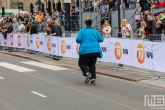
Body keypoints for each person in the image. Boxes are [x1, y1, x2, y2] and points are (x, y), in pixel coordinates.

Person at [76, 18, 104, 85]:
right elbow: (101, 39)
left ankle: (87, 73)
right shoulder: (95, 31)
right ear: (91, 23)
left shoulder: (82, 31)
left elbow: (78, 40)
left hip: (85, 50)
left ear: (85, 23)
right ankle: (93, 80)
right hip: (95, 50)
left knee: (81, 63)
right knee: (92, 65)